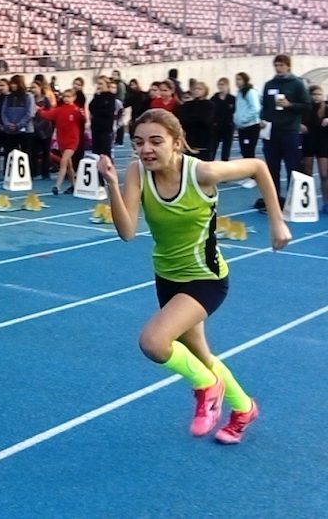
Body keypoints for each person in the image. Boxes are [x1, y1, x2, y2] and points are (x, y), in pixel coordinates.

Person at [97, 109, 290, 444]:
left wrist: (277, 220)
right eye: (139, 142)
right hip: (167, 277)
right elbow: (127, 231)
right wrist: (112, 185)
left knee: (154, 342)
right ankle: (243, 408)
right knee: (201, 354)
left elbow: (258, 167)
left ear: (176, 142)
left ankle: (206, 386)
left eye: (156, 141)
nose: (146, 149)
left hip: (206, 278)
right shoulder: (137, 173)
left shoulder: (202, 172)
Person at [258, 55, 310, 211]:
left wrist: (290, 105)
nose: (278, 68)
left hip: (290, 132)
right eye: (276, 65)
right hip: (271, 132)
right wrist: (262, 119)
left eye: (281, 65)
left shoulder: (297, 84)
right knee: (272, 169)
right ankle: (273, 203)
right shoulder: (269, 84)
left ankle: (293, 201)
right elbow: (265, 107)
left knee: (292, 168)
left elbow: (306, 106)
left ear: (288, 66)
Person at [39, 89, 85, 194]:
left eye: (69, 96)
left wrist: (83, 116)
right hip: (62, 140)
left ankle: (57, 186)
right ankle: (74, 186)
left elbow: (84, 120)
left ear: (74, 98)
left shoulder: (76, 110)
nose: (66, 99)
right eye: (64, 96)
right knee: (69, 165)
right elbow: (48, 114)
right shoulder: (59, 110)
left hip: (72, 140)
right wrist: (39, 110)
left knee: (63, 161)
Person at [300, 85, 327, 213]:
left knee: (325, 174)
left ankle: (326, 202)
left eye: (319, 94)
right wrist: (300, 126)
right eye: (314, 94)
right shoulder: (305, 109)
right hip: (308, 143)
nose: (317, 97)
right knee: (307, 174)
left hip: (324, 144)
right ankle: (307, 203)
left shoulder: (326, 108)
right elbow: (296, 121)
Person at [233, 72, 261, 188]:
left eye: (239, 79)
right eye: (236, 79)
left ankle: (253, 177)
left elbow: (256, 107)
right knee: (244, 151)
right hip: (242, 127)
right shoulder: (240, 93)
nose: (237, 81)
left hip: (251, 126)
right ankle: (247, 175)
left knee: (249, 151)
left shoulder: (250, 92)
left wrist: (244, 119)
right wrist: (237, 119)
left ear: (245, 80)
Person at [176, 81, 215, 161]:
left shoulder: (209, 105)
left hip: (204, 140)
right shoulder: (187, 105)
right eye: (195, 89)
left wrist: (192, 120)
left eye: (199, 89)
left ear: (205, 91)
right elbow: (183, 120)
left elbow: (206, 121)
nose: (197, 91)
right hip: (190, 139)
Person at [209, 78, 236, 161]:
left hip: (228, 127)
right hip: (216, 127)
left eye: (223, 84)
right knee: (212, 150)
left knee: (226, 152)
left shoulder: (232, 99)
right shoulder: (214, 98)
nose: (221, 86)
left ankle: (225, 168)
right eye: (219, 84)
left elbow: (235, 112)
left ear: (227, 86)